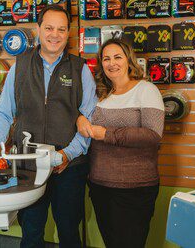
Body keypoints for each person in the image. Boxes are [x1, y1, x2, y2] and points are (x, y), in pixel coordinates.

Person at [0, 4, 97, 248]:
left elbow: (89, 118)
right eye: (49, 28)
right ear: (39, 29)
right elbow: (3, 111)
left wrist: (67, 154)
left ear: (68, 33)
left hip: (69, 166)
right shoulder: (19, 66)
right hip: (27, 164)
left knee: (69, 230)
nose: (55, 35)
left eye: (61, 29)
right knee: (31, 230)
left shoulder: (80, 68)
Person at [77, 39, 165, 248]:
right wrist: (79, 119)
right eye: (106, 58)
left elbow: (153, 135)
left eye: (117, 57)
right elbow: (81, 116)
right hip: (100, 186)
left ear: (128, 60)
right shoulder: (99, 93)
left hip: (135, 188)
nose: (111, 63)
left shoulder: (146, 90)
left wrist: (107, 134)